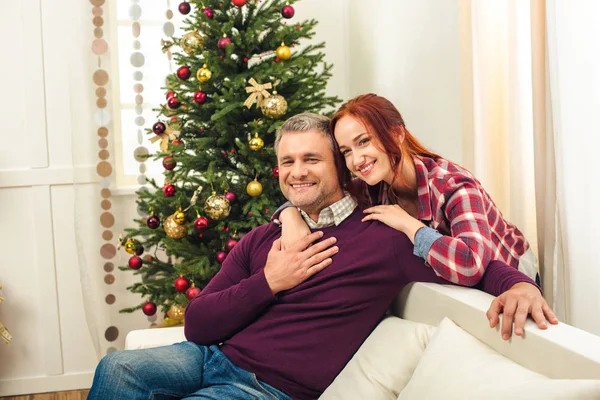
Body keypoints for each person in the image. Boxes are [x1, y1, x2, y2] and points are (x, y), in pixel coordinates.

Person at [88, 113, 557, 400]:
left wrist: (520, 284)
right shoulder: (266, 237)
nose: (298, 172)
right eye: (288, 162)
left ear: (340, 166)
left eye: (312, 159)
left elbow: (475, 265)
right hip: (209, 356)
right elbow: (199, 323)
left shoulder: (384, 234)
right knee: (116, 368)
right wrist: (270, 280)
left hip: (266, 388)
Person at [277, 94, 540, 288]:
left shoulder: (454, 186)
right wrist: (290, 216)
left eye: (364, 141)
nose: (356, 160)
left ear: (396, 133)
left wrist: (410, 226)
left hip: (514, 271)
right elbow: (319, 193)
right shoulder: (371, 188)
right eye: (347, 151)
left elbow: (471, 265)